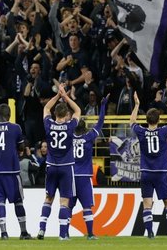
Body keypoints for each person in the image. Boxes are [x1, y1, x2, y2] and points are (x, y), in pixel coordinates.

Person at [130, 92, 167, 239]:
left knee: (147, 204)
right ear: (159, 120)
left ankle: (150, 233)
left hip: (146, 172)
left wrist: (137, 105)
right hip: (161, 172)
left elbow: (132, 122)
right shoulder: (163, 131)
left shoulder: (142, 131)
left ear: (146, 120)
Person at [37, 84, 80, 241]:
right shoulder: (70, 126)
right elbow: (78, 111)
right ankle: (62, 235)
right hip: (66, 167)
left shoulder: (49, 124)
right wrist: (66, 96)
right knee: (64, 201)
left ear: (55, 113)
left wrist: (57, 96)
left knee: (48, 198)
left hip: (51, 166)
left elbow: (46, 109)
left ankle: (41, 229)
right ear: (66, 114)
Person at [0, 103, 32, 240]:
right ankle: (23, 232)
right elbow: (21, 146)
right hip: (12, 171)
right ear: (9, 115)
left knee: (0, 202)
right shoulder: (15, 128)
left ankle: (3, 233)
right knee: (18, 202)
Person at [69, 93, 108, 240]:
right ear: (85, 128)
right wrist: (103, 106)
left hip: (70, 176)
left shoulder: (69, 137)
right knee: (87, 207)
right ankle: (90, 234)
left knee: (67, 206)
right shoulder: (89, 137)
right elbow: (100, 123)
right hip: (85, 177)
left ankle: (64, 234)